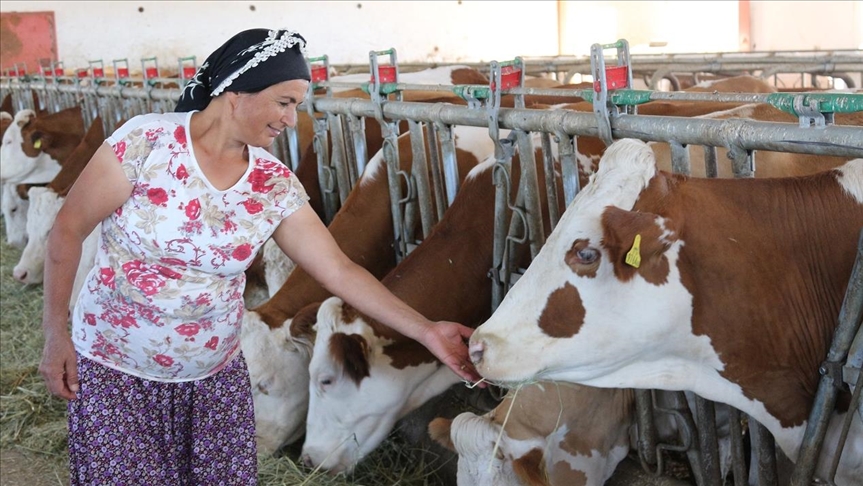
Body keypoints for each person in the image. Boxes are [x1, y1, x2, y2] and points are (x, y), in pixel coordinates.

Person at [39, 27, 483, 485]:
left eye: (297, 106)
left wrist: (427, 331)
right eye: (284, 102)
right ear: (236, 92)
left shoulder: (272, 184)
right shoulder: (146, 143)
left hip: (213, 384)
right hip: (118, 375)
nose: (292, 120)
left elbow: (339, 269)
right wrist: (56, 334)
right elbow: (68, 231)